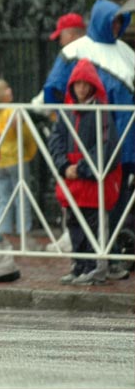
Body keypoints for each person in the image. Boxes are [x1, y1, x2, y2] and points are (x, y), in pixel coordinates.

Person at [43, 0, 134, 280]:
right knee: (83, 211)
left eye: (121, 20)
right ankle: (86, 262)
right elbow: (55, 91)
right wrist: (68, 130)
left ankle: (114, 257)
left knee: (118, 206)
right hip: (84, 146)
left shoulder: (127, 53)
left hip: (124, 146)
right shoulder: (75, 51)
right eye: (114, 19)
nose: (117, 24)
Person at [48, 59, 121, 286]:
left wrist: (81, 168)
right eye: (77, 84)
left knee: (94, 224)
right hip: (72, 179)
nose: (81, 88)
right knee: (74, 223)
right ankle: (78, 264)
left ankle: (95, 267)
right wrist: (62, 165)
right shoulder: (67, 112)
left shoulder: (102, 112)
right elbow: (56, 139)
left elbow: (107, 146)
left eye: (85, 83)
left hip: (91, 180)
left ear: (92, 85)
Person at [0, 79, 37, 236]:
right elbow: (24, 133)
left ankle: (3, 231)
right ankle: (23, 230)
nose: (10, 90)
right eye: (5, 89)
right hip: (16, 158)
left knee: (4, 198)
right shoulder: (11, 111)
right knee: (22, 195)